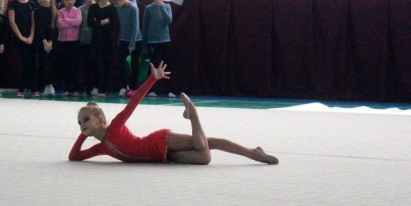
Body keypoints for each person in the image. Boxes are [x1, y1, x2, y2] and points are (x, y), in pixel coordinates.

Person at [69, 61, 279, 165]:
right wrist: (83, 134)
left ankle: (195, 116)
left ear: (101, 119)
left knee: (206, 143)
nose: (82, 124)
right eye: (79, 123)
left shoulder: (115, 125)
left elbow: (134, 101)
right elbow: (74, 157)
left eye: (85, 120)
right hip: (163, 157)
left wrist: (152, 79)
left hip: (158, 141)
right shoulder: (101, 148)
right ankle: (254, 151)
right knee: (204, 157)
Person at [110, 0, 143, 97]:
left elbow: (135, 28)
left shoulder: (133, 8)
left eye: (116, 3)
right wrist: (120, 40)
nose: (115, 6)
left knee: (134, 65)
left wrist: (132, 45)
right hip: (124, 39)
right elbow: (121, 25)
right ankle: (124, 86)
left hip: (135, 40)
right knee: (121, 63)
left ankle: (134, 88)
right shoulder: (118, 8)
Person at [143, 0, 174, 98]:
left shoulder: (167, 6)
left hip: (165, 40)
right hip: (152, 42)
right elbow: (145, 27)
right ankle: (151, 89)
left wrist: (162, 8)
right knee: (153, 65)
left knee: (167, 65)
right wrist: (145, 45)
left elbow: (169, 20)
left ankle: (169, 89)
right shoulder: (148, 9)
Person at [88, 0, 119, 97]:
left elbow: (114, 25)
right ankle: (95, 85)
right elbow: (90, 23)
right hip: (95, 40)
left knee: (106, 64)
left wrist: (98, 22)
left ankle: (104, 88)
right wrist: (103, 22)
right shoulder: (93, 7)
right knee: (94, 63)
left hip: (108, 40)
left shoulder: (112, 8)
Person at [8, 0, 37, 97]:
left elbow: (33, 22)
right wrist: (21, 37)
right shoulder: (13, 4)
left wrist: (31, 36)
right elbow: (12, 22)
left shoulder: (32, 4)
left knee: (32, 63)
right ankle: (21, 88)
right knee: (23, 63)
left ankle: (32, 88)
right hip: (18, 38)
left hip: (30, 38)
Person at [57, 0, 82, 96]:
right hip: (63, 42)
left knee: (74, 66)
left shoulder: (77, 11)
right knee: (65, 66)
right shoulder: (60, 12)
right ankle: (67, 89)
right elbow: (60, 25)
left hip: (74, 42)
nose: (69, 1)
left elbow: (78, 22)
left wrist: (66, 20)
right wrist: (71, 22)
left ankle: (74, 89)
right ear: (63, 0)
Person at [35, 0, 58, 97]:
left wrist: (50, 42)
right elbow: (38, 28)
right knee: (43, 64)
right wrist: (44, 41)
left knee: (51, 64)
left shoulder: (54, 11)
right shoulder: (37, 11)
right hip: (41, 41)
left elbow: (53, 28)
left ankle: (51, 85)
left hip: (51, 41)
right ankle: (46, 85)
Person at [78, 0, 97, 96]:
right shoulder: (80, 9)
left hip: (94, 42)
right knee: (85, 65)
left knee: (94, 65)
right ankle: (87, 87)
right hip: (83, 41)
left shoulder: (98, 8)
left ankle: (95, 86)